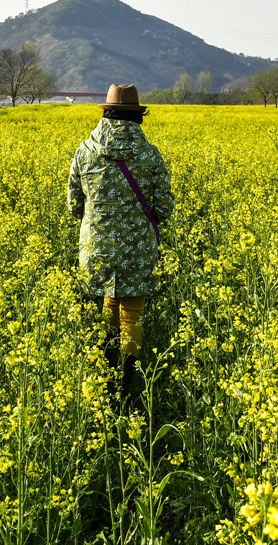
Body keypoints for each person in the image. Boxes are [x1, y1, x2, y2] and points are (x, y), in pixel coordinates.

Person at [67, 83, 174, 407]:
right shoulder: (149, 154)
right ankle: (125, 386)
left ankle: (105, 373)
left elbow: (73, 204)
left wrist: (97, 222)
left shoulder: (85, 151)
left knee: (109, 301)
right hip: (138, 248)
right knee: (132, 312)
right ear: (137, 116)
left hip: (97, 247)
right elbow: (164, 207)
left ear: (107, 113)